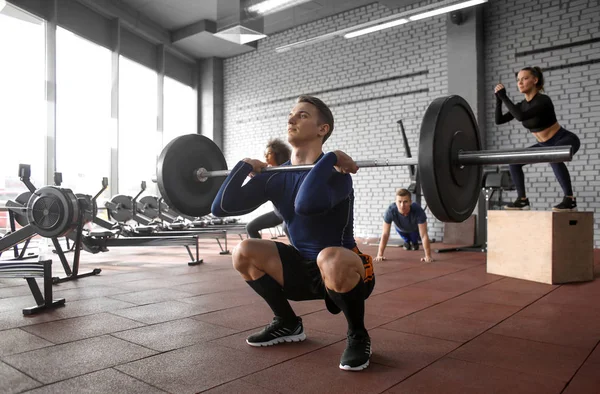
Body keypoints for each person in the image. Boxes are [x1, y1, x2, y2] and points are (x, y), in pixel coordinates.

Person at [212, 95, 375, 371]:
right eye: (291, 114)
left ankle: (358, 335)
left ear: (323, 129)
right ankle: (287, 322)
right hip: (300, 269)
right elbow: (222, 207)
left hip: (345, 269)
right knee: (244, 252)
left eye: (302, 115)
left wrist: (332, 157)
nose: (291, 119)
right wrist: (244, 166)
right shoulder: (276, 176)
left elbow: (306, 204)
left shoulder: (337, 174)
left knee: (330, 257)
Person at [495, 66, 580, 211]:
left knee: (553, 155)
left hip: (564, 139)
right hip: (543, 145)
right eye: (518, 80)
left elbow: (521, 116)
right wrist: (498, 101)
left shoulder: (543, 100)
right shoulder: (522, 105)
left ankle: (570, 199)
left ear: (535, 80)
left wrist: (504, 97)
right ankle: (522, 200)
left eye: (525, 78)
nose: (520, 83)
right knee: (514, 162)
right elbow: (499, 120)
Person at [245, 138, 291, 239]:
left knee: (287, 227)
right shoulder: (266, 171)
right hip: (277, 213)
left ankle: (298, 253)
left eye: (269, 153)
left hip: (289, 213)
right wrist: (254, 176)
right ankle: (259, 252)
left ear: (277, 154)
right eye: (265, 153)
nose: (266, 156)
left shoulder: (288, 169)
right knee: (250, 227)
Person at [374, 189, 433, 263]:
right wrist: (380, 255)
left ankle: (414, 243)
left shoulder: (418, 210)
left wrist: (428, 256)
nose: (402, 205)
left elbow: (424, 235)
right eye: (399, 202)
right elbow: (385, 234)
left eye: (405, 202)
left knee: (415, 242)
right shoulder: (390, 211)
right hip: (400, 229)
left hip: (414, 230)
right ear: (395, 202)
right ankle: (407, 242)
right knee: (407, 242)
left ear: (410, 202)